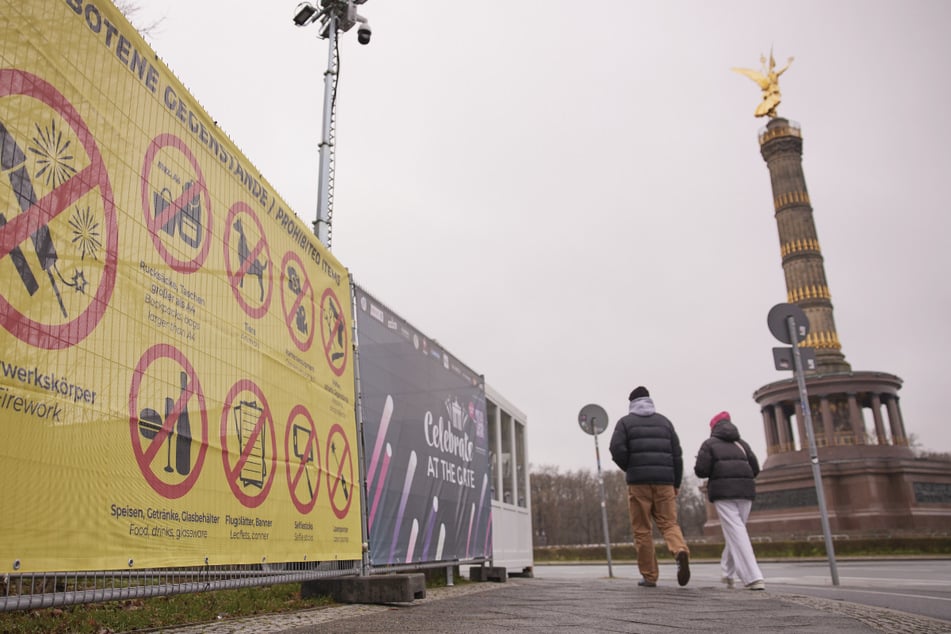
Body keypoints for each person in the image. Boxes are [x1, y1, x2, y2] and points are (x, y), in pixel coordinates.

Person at [609, 386, 690, 587]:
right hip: (665, 483)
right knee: (669, 523)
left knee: (642, 529)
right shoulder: (665, 423)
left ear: (632, 403)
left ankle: (649, 576)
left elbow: (616, 448)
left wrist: (630, 467)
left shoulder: (625, 423)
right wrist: (676, 483)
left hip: (638, 484)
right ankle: (679, 550)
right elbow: (677, 455)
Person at [693, 411, 766, 591]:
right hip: (745, 492)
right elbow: (755, 469)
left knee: (736, 531)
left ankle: (753, 577)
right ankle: (727, 573)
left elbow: (701, 471)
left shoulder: (709, 444)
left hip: (723, 493)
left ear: (713, 428)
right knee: (736, 531)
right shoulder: (742, 444)